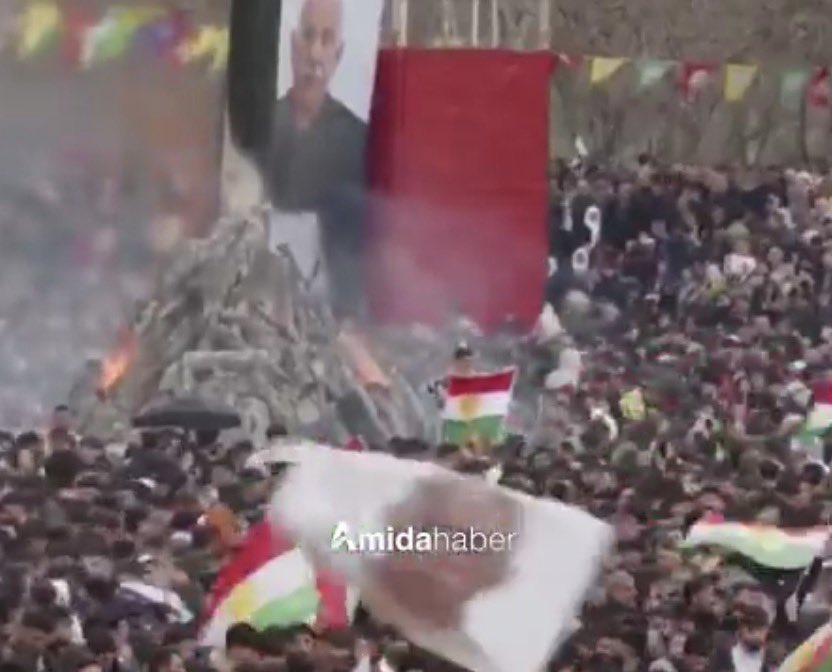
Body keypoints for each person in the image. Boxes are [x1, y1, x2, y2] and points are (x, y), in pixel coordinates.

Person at [262, 0, 368, 316]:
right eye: (307, 36)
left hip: (326, 310)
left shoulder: (355, 138)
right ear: (293, 46)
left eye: (326, 39)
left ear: (339, 53)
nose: (314, 54)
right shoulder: (261, 126)